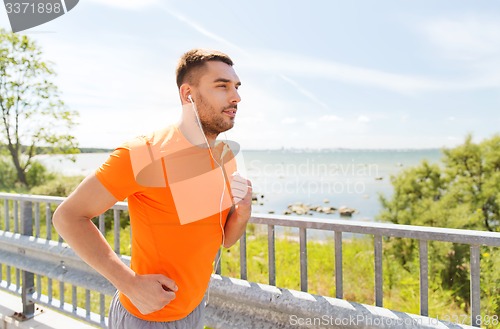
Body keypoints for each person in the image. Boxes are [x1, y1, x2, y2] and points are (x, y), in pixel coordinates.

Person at [53, 49, 252, 329]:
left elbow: (222, 239)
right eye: (222, 86)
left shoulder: (223, 156)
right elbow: (68, 216)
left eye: (236, 87)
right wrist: (128, 282)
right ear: (188, 95)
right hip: (147, 319)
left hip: (195, 309)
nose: (236, 97)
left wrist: (242, 213)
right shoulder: (143, 152)